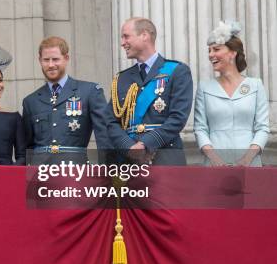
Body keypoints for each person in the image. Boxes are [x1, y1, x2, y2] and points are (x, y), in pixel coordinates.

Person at [106, 17, 193, 165]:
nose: (122, 43)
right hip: (129, 161)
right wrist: (129, 147)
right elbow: (110, 122)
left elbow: (178, 118)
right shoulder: (122, 78)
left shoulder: (177, 71)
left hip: (166, 158)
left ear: (144, 35)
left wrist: (144, 144)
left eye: (126, 36)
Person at [194, 21, 269, 166]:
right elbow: (200, 128)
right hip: (214, 164)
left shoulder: (255, 85)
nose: (211, 55)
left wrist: (247, 159)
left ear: (233, 53)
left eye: (216, 49)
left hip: (250, 163)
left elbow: (262, 127)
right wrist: (214, 159)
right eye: (209, 51)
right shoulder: (204, 87)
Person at [22, 36, 110, 161]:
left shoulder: (89, 91)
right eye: (46, 60)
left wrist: (107, 169)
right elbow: (28, 147)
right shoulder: (30, 101)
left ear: (66, 58)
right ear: (40, 61)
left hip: (75, 172)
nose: (51, 65)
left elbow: (104, 135)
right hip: (41, 175)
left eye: (55, 59)